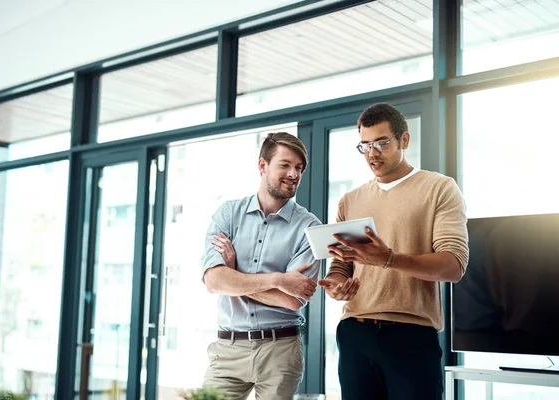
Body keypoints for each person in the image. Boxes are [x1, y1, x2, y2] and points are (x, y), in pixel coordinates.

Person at [318, 103, 469, 400]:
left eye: (382, 143)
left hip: (410, 336)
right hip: (354, 334)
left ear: (404, 140)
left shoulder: (439, 188)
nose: (372, 153)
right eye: (365, 145)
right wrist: (336, 285)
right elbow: (341, 265)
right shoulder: (350, 200)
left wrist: (389, 259)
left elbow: (454, 265)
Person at [201, 132, 322, 400]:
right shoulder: (228, 214)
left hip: (281, 350)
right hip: (228, 350)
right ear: (262, 165)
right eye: (285, 165)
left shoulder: (310, 228)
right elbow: (214, 281)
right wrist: (278, 280)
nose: (294, 174)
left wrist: (235, 276)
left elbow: (292, 301)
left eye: (299, 168)